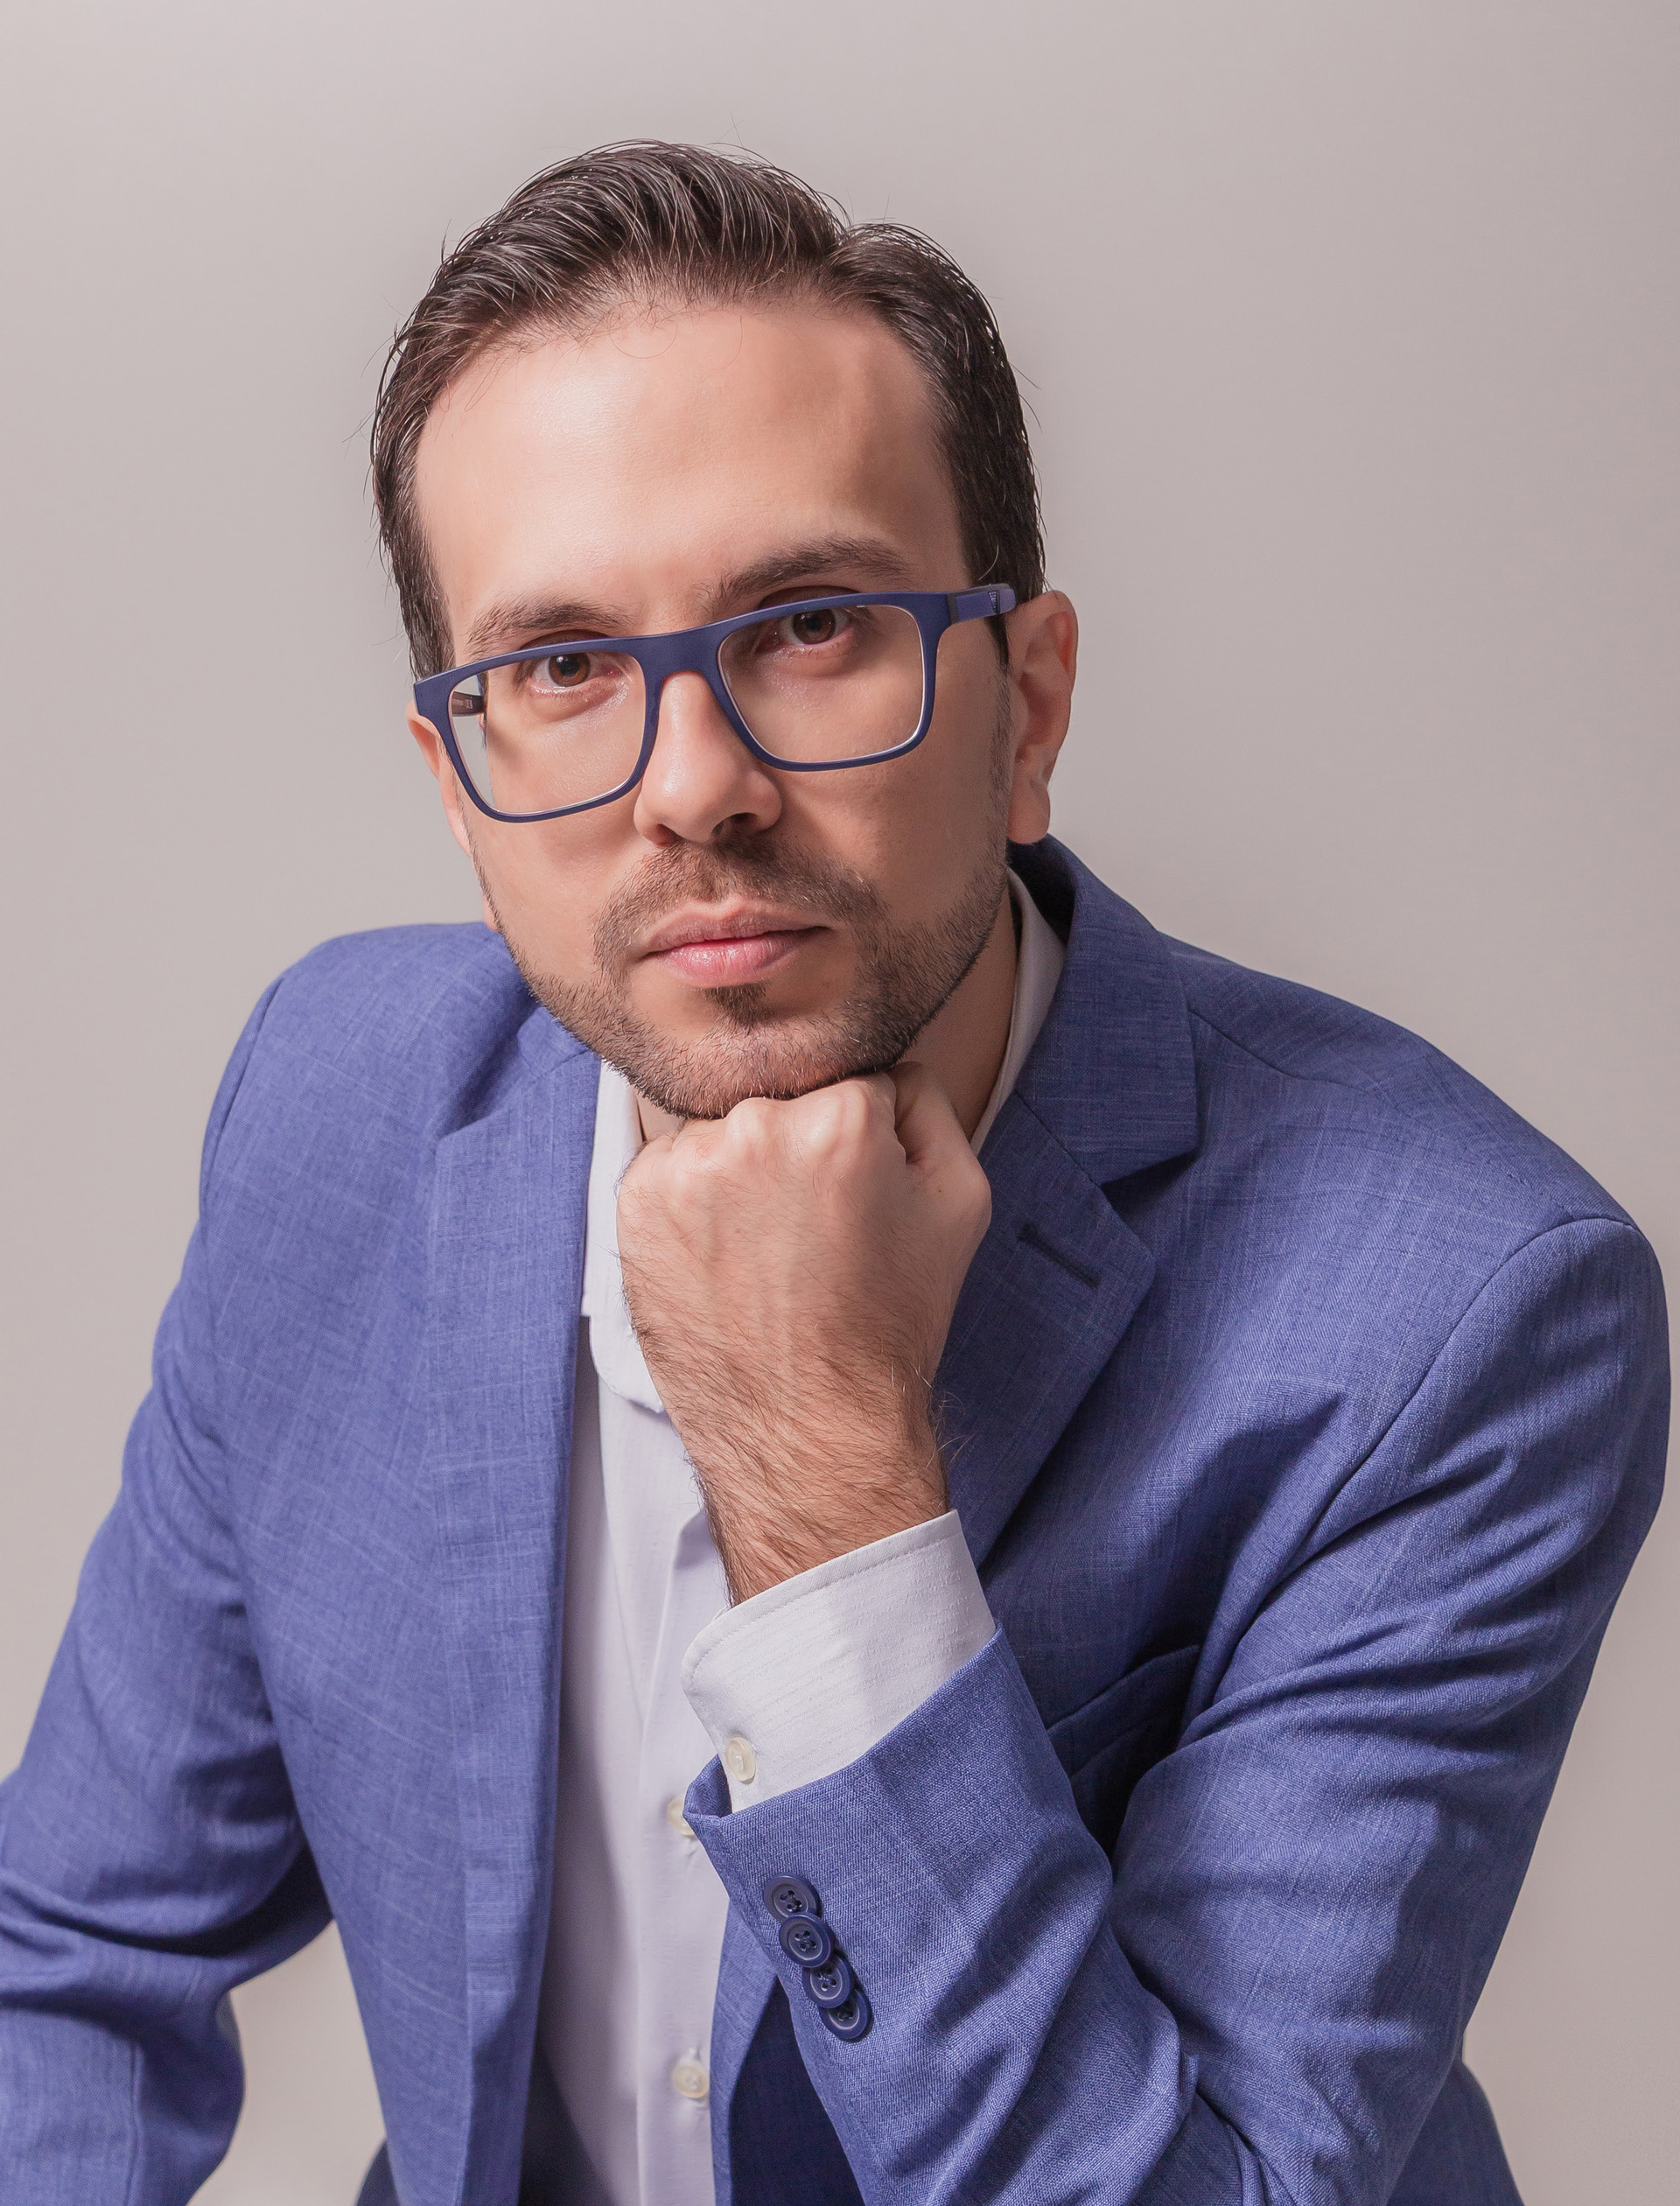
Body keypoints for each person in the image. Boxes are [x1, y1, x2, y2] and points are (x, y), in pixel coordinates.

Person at [0, 141, 1666, 2206]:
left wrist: (828, 1488)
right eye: (562, 666)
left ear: (1026, 704)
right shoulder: (335, 1109)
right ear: (456, 779)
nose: (696, 788)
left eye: (808, 625)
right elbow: (67, 1957)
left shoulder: (1462, 1303)